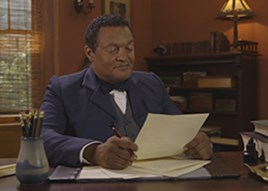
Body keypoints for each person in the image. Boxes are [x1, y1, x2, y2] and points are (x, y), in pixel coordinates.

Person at [40, 15, 213, 169]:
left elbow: (181, 130)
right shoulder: (62, 88)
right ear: (90, 53)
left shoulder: (152, 82)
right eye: (113, 49)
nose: (124, 57)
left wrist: (199, 142)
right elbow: (43, 138)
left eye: (129, 48)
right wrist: (94, 152)